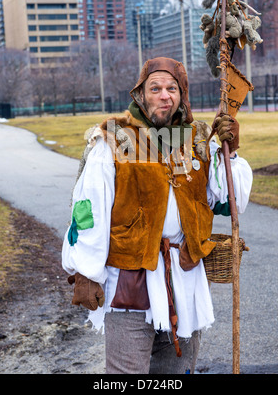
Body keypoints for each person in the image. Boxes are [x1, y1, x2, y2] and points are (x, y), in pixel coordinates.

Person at [62, 57, 253, 374]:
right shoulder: (114, 140)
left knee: (177, 372)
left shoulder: (195, 143)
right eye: (156, 88)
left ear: (182, 95)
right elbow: (88, 210)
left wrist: (229, 150)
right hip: (129, 280)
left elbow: (228, 201)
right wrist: (85, 272)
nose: (165, 95)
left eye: (172, 88)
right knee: (126, 374)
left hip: (184, 276)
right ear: (140, 94)